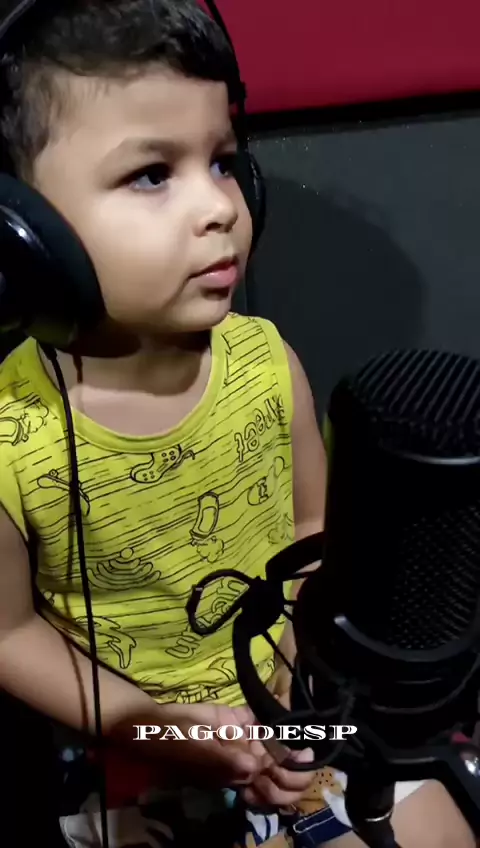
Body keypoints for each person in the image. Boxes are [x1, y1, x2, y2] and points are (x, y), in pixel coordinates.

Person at [0, 1, 475, 846]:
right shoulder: (10, 434)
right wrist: (162, 729)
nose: (219, 206)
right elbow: (9, 635)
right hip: (133, 740)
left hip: (299, 702)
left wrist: (303, 693)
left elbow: (314, 530)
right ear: (22, 235)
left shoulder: (265, 362)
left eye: (222, 162)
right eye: (152, 174)